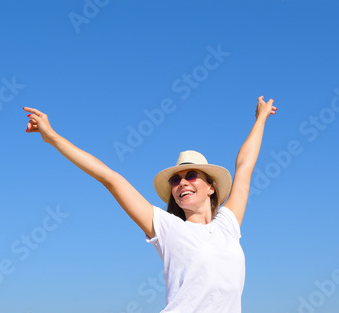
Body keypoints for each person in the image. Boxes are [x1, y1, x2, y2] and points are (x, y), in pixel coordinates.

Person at [22, 96, 277, 312]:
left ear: (211, 187)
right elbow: (110, 178)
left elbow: (245, 167)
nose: (181, 183)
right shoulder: (168, 228)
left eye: (190, 175)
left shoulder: (228, 226)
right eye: (175, 181)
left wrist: (261, 118)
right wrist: (52, 136)